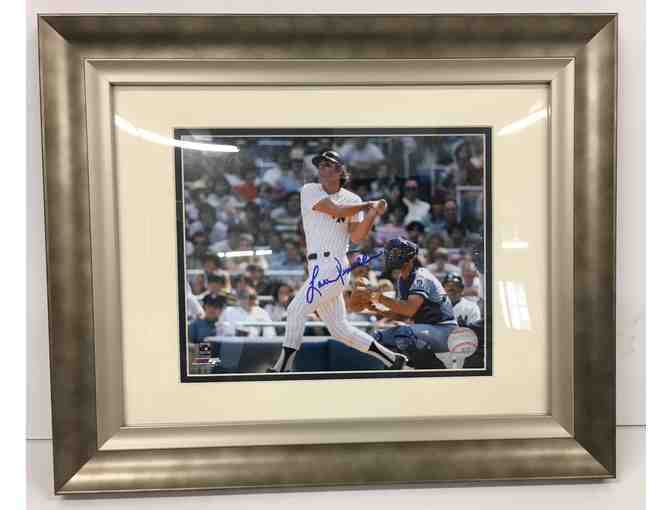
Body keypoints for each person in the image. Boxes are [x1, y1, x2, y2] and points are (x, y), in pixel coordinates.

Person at [268, 149, 408, 372]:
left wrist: (373, 214)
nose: (322, 168)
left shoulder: (353, 199)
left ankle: (282, 367)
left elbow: (357, 237)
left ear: (340, 170)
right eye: (320, 164)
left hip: (334, 265)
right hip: (316, 266)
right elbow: (335, 209)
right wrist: (368, 206)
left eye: (328, 164)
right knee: (339, 329)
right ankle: (392, 359)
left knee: (295, 309)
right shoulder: (310, 190)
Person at [363, 237, 459, 370]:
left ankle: (435, 370)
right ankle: (394, 375)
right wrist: (376, 309)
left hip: (445, 331)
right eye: (390, 253)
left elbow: (409, 310)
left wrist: (379, 297)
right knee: (380, 338)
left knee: (403, 335)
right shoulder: (402, 279)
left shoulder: (421, 276)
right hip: (426, 330)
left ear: (410, 257)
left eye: (396, 253)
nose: (391, 256)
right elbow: (401, 316)